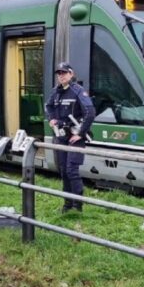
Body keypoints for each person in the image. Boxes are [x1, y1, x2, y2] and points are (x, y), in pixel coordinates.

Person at [44, 62, 95, 213]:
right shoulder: (56, 91)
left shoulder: (78, 90)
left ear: (71, 74)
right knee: (63, 171)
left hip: (75, 137)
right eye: (59, 73)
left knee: (72, 170)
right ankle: (67, 205)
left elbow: (90, 112)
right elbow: (48, 106)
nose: (61, 76)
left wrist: (79, 134)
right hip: (60, 137)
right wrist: (51, 119)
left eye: (64, 73)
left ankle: (78, 206)